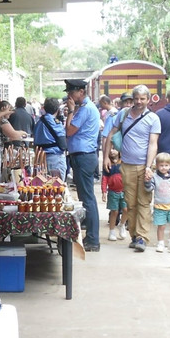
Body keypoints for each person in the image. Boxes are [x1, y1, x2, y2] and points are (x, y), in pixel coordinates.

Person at [102, 84, 160, 253]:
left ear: (148, 100)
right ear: (132, 99)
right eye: (136, 99)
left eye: (143, 99)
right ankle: (134, 235)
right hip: (126, 165)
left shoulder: (153, 119)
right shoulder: (124, 114)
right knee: (130, 202)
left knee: (143, 201)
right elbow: (111, 134)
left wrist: (149, 166)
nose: (139, 102)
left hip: (144, 166)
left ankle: (142, 237)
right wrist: (106, 157)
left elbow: (153, 144)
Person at [64, 78, 102, 251]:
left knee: (88, 199)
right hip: (83, 156)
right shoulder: (86, 108)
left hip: (84, 156)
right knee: (86, 197)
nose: (69, 97)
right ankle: (90, 234)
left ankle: (93, 240)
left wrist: (71, 111)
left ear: (81, 92)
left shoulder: (84, 109)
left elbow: (69, 130)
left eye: (71, 93)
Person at [145, 152, 170, 254]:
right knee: (161, 226)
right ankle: (160, 242)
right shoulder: (155, 177)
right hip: (159, 206)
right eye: (161, 165)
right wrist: (147, 182)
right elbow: (149, 189)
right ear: (156, 166)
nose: (164, 168)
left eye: (166, 165)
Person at [33, 97, 68, 178]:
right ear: (57, 109)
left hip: (40, 158)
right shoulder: (56, 123)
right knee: (57, 186)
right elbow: (63, 144)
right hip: (55, 158)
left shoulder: (38, 123)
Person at [103, 146, 127, 241]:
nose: (112, 151)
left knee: (126, 209)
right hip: (113, 191)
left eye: (115, 148)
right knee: (114, 212)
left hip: (124, 191)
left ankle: (122, 224)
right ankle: (112, 231)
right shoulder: (107, 164)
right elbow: (104, 179)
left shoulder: (123, 162)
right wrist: (104, 191)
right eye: (110, 148)